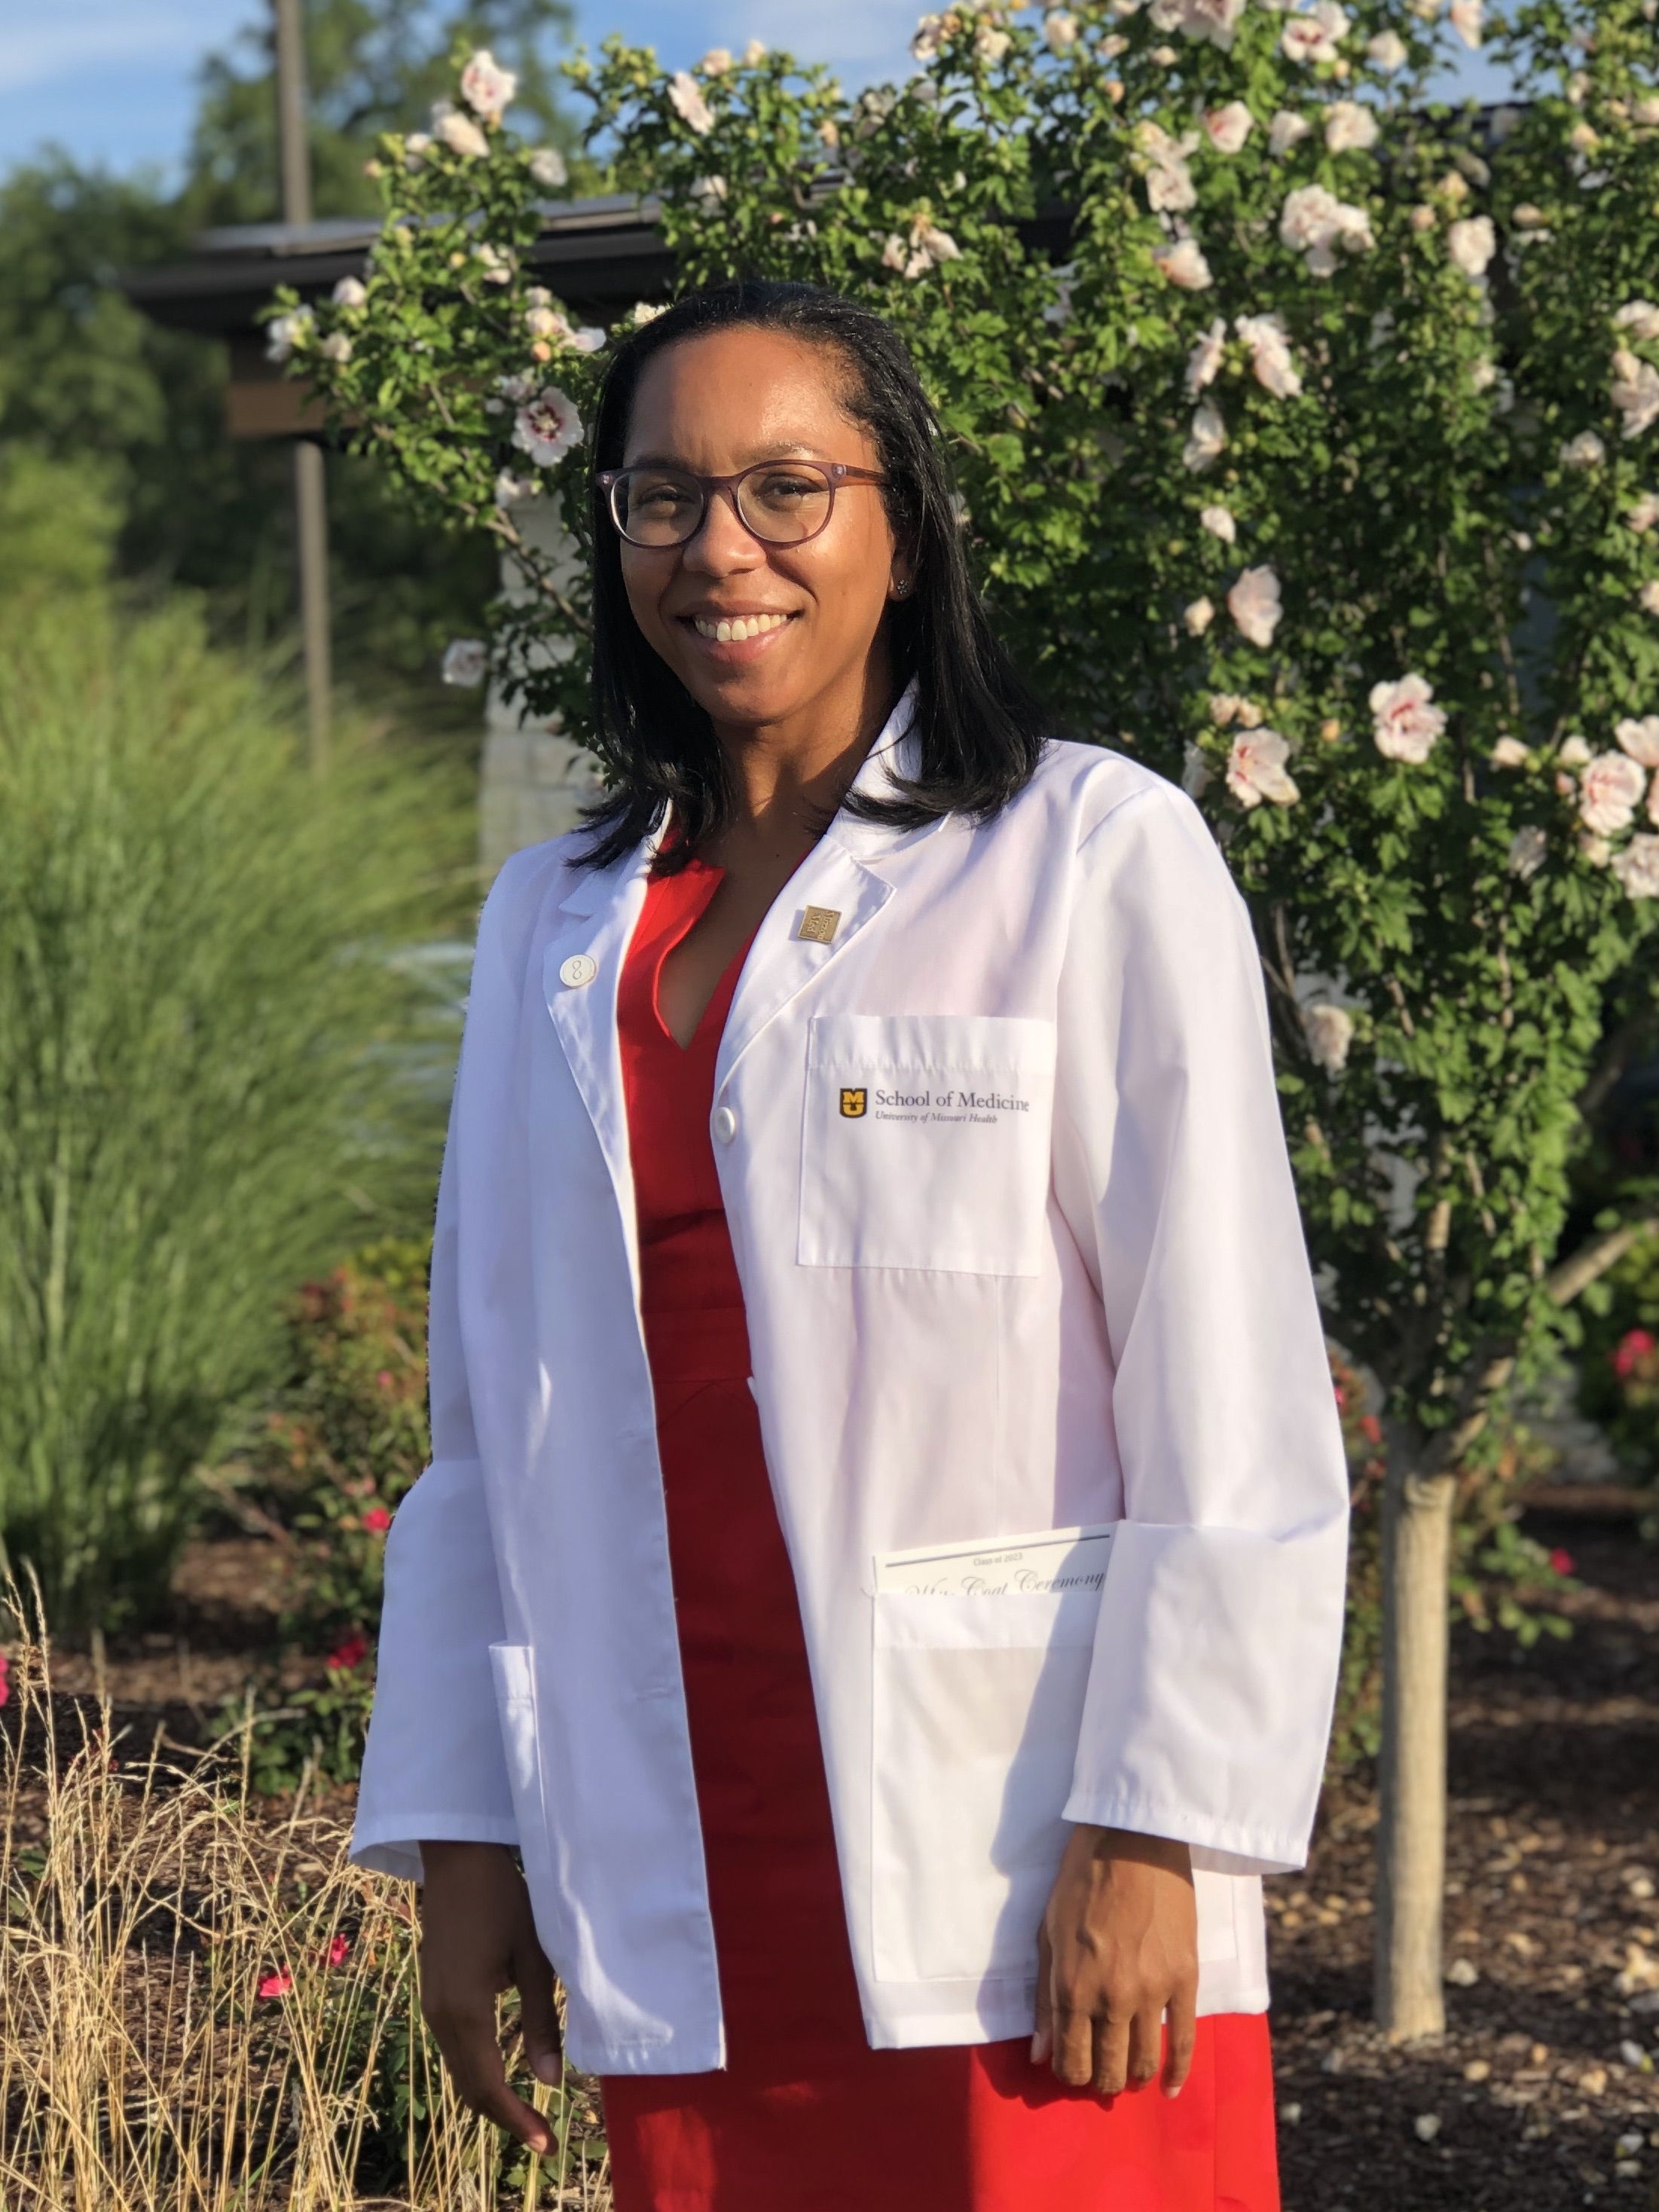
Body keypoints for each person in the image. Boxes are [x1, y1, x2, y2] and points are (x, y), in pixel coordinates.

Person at [352, 280, 1349, 2211]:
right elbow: (483, 1421)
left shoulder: (1086, 853)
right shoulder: (549, 925)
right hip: (683, 1857)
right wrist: (473, 1835)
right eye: (661, 497)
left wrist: (1155, 1824)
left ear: (903, 524)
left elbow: (1222, 1380)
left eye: (787, 487)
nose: (720, 548)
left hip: (1019, 1869)